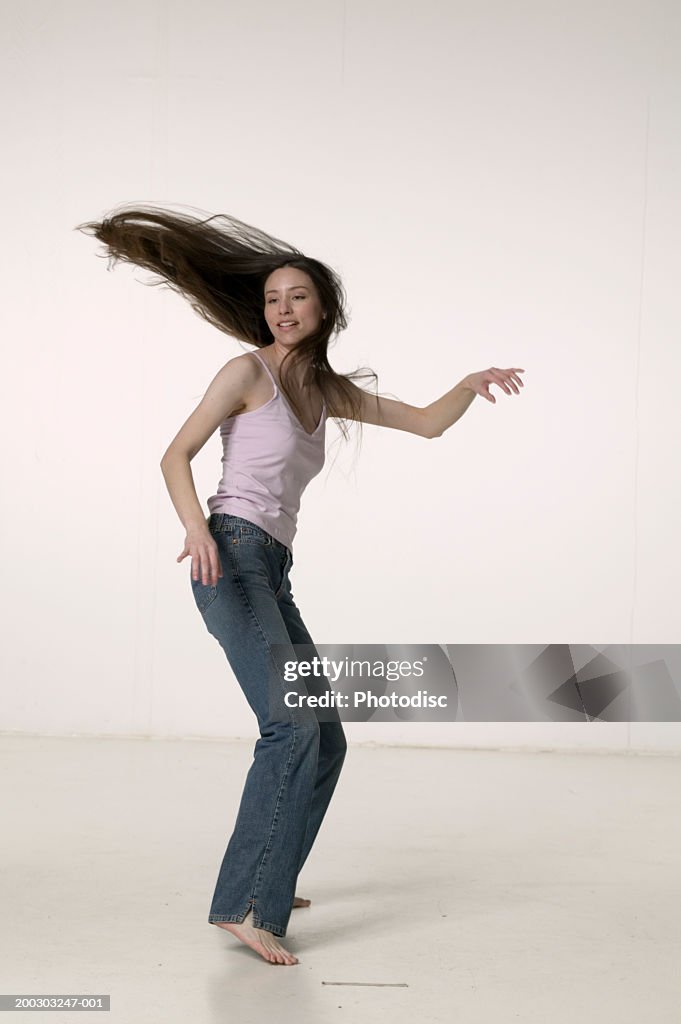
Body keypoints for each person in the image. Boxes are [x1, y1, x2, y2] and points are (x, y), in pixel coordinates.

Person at [76, 204, 525, 966]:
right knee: (292, 728)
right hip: (229, 557)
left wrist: (468, 382)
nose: (283, 309)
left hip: (272, 571)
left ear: (324, 311)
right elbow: (174, 456)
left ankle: (271, 874)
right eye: (274, 298)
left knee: (327, 738)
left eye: (299, 298)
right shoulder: (245, 372)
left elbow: (423, 423)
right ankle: (249, 903)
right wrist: (194, 528)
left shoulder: (323, 390)